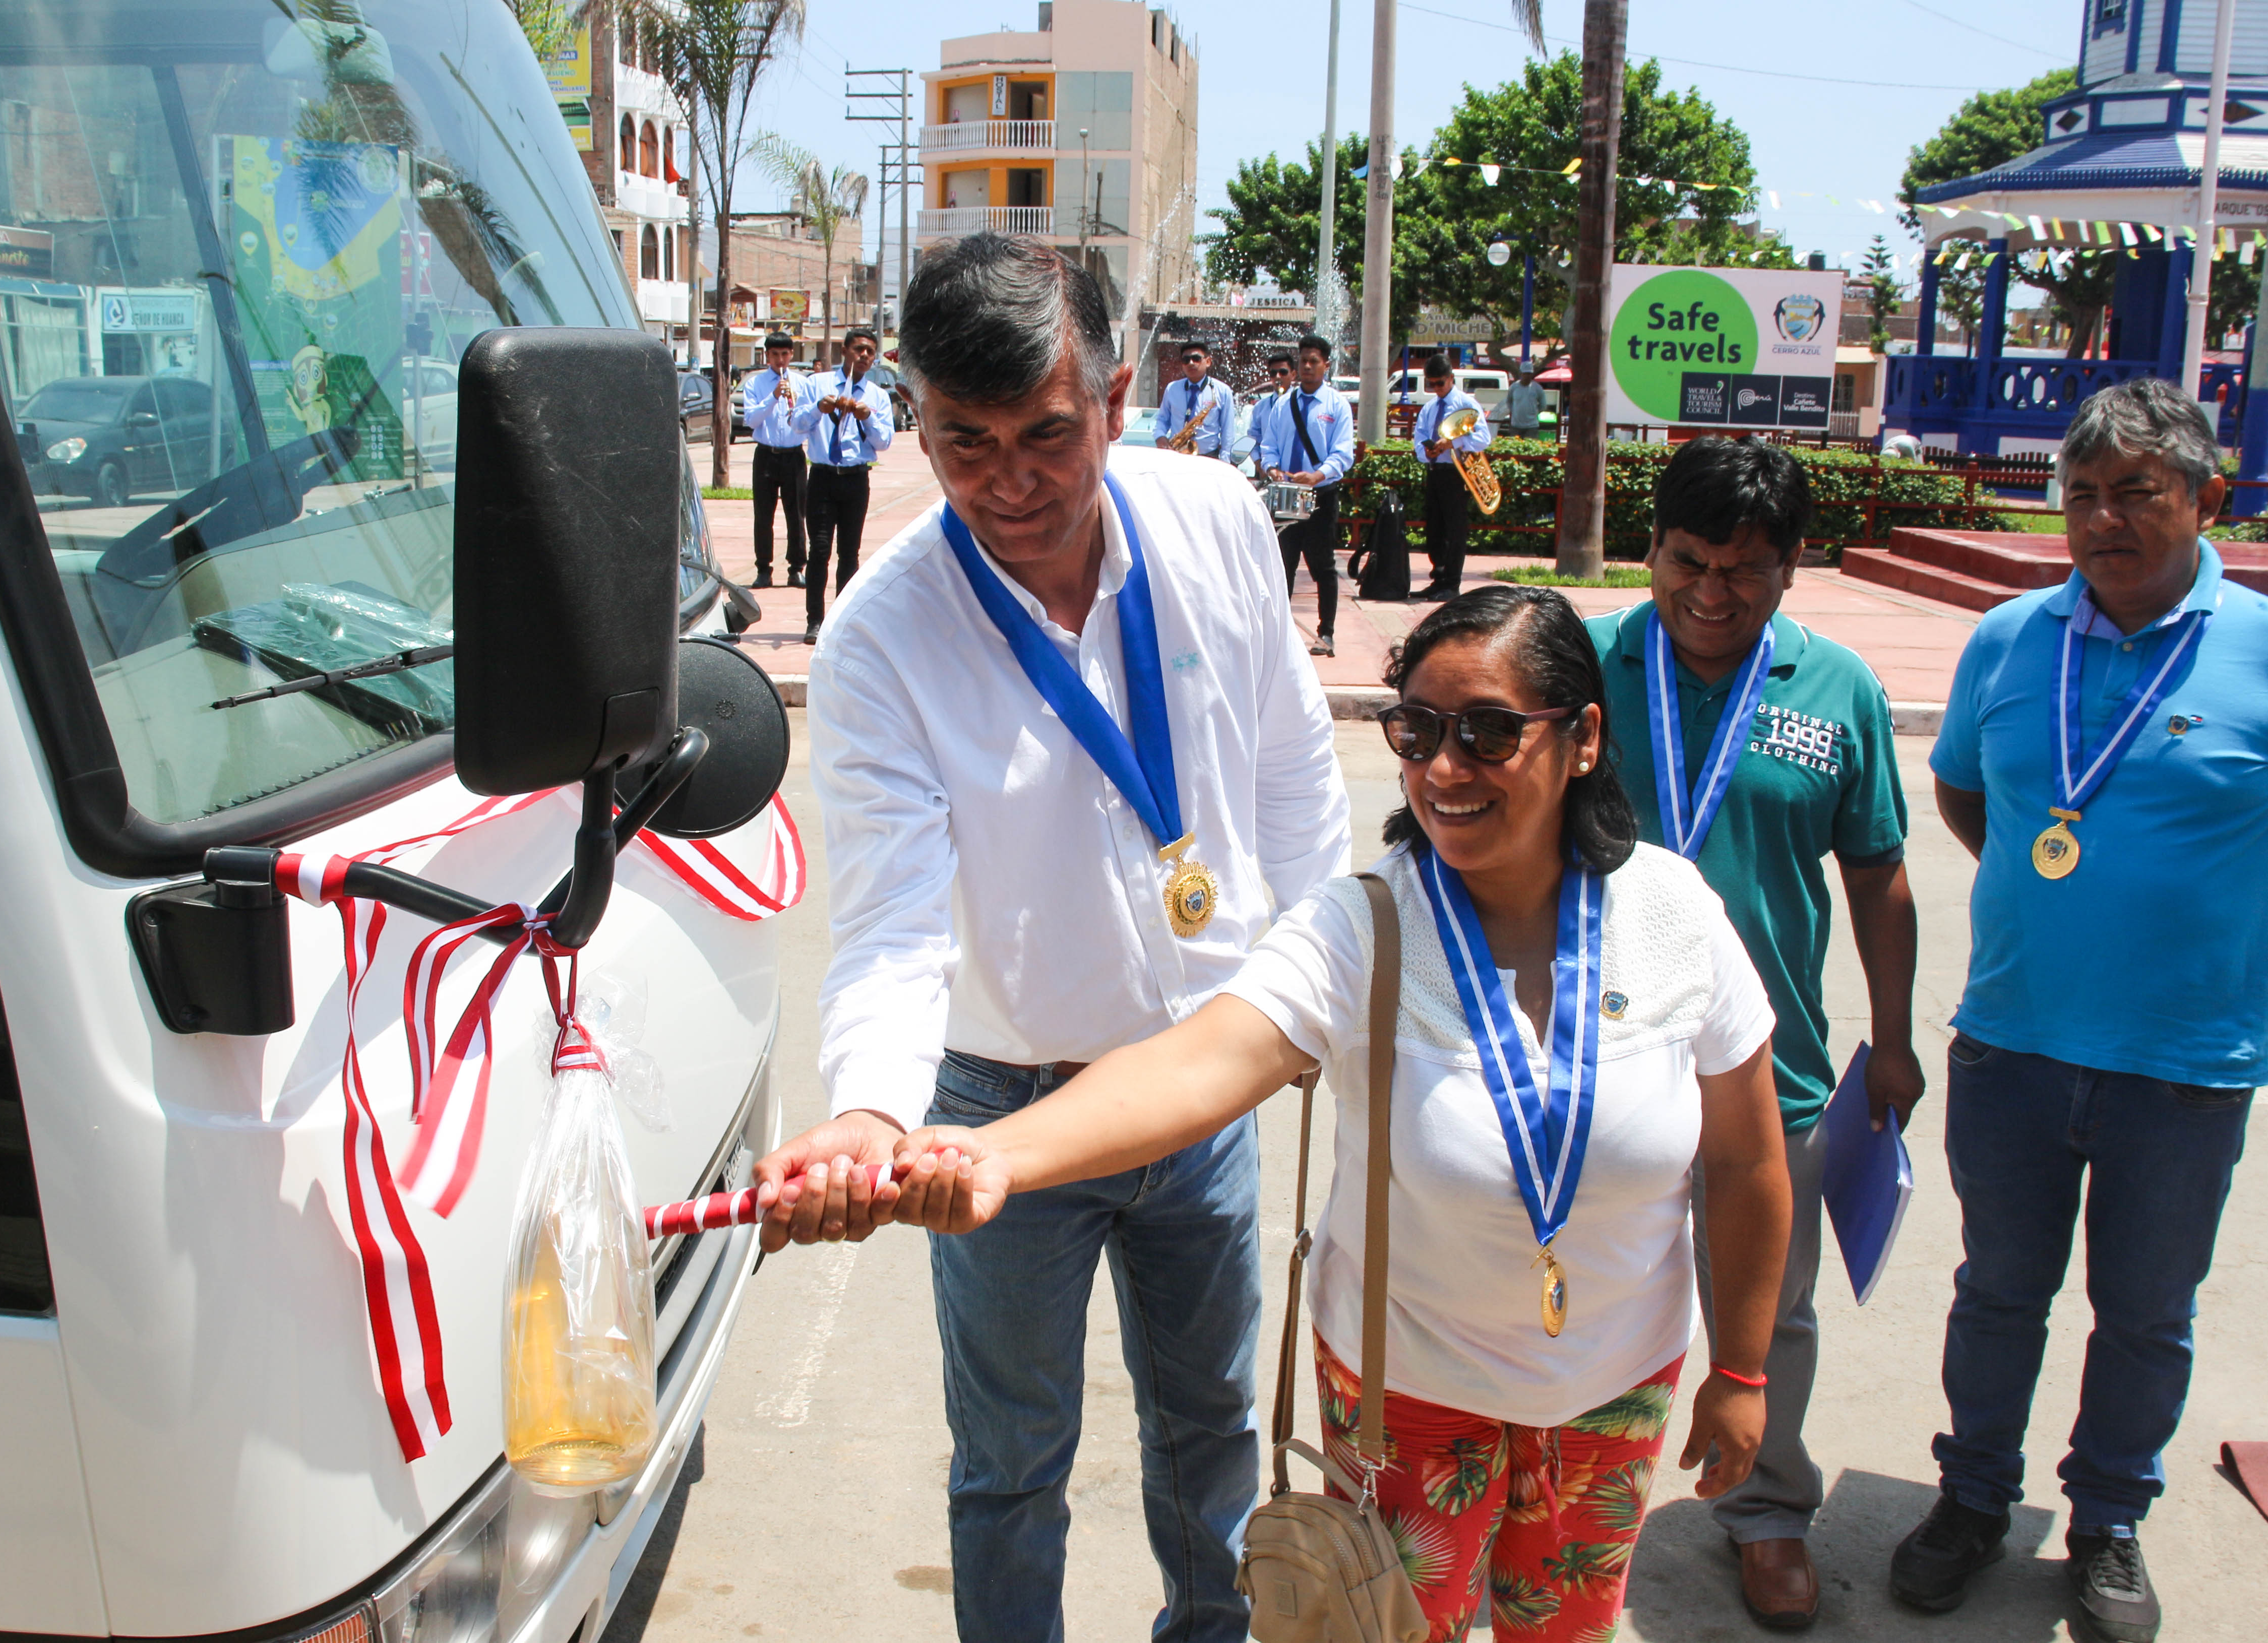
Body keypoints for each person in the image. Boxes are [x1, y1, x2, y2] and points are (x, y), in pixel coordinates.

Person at [889, 586, 1796, 1643]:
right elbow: (1199, 1063)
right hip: (1410, 1397)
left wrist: (1740, 1371)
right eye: (1416, 730)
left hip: (1614, 1390)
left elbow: (1745, 1164)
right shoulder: (1366, 926)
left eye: (1490, 733)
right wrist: (993, 1151)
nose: (1444, 769)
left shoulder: (1673, 912)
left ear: (1584, 737)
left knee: (1566, 1632)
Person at [752, 233, 1353, 1643]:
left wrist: (1313, 989)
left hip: (1204, 1086)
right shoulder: (880, 641)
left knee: (1209, 1427)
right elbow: (893, 927)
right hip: (995, 1113)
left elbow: (1292, 773)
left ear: (1120, 394)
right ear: (917, 417)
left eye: (1047, 436)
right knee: (1010, 1458)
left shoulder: (1216, 522)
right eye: (965, 444)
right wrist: (866, 1113)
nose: (1010, 484)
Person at [1902, 377, 2262, 1642]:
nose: (2102, 519)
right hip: (2010, 1043)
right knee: (1996, 1288)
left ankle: (2107, 1519)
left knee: (2144, 1311)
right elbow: (1963, 798)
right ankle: (1970, 1496)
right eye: (2081, 495)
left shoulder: (2259, 648)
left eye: (2135, 494)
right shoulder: (2007, 638)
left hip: (2184, 1062)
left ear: (2205, 498)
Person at [1585, 435, 1920, 1630]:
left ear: (1791, 568)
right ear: (1652, 550)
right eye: (1687, 561)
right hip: (1599, 1058)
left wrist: (1889, 1035)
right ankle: (1551, 1500)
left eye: (1744, 568)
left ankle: (1766, 1507)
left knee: (1765, 1309)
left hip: (1764, 1072)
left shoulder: (1838, 690)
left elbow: (1877, 868)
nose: (1710, 594)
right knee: (1565, 1288)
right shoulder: (1588, 663)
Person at [792, 328, 896, 644]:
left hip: (855, 478)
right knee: (819, 550)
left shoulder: (876, 396)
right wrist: (817, 410)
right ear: (844, 351)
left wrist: (867, 418)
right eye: (859, 350)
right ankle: (815, 621)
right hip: (823, 477)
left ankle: (843, 620)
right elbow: (797, 425)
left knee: (850, 554)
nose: (864, 356)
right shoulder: (817, 385)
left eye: (870, 352)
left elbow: (885, 441)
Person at [1255, 333, 1356, 657]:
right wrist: (1271, 468)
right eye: (1303, 362)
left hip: (1321, 495)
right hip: (1287, 494)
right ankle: (1280, 636)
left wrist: (1317, 475)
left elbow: (1343, 453)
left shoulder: (1337, 405)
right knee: (1282, 563)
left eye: (1315, 361)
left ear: (1326, 365)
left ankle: (1326, 633)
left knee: (1323, 566)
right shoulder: (1284, 404)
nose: (1308, 367)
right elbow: (1269, 446)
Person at [1409, 356, 1494, 601]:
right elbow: (1419, 438)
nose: (1437, 388)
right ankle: (1439, 578)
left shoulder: (1466, 404)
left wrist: (1453, 443)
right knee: (1434, 528)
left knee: (1455, 529)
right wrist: (1427, 451)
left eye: (1440, 383)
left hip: (1458, 474)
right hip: (1436, 471)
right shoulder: (1429, 408)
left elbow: (1483, 438)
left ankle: (1452, 583)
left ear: (1451, 379)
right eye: (1432, 384)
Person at [742, 331, 809, 589]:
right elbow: (751, 420)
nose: (780, 360)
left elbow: (807, 419)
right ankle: (764, 569)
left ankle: (796, 568)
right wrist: (773, 397)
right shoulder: (756, 384)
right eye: (775, 355)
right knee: (763, 515)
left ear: (791, 355)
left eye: (784, 354)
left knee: (797, 514)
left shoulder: (802, 383)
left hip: (793, 456)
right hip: (767, 456)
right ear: (767, 356)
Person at [1157, 342, 1235, 457]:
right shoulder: (1172, 389)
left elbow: (1228, 432)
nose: (1191, 363)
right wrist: (1160, 436)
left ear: (1208, 362)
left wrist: (1225, 460)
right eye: (1186, 360)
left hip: (1209, 457)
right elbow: (1162, 420)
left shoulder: (1223, 391)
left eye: (1196, 359)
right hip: (1177, 455)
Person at [1241, 351, 1296, 472]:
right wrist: (1259, 464)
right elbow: (1253, 439)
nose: (1278, 377)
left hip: (1294, 471)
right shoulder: (1261, 407)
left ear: (1293, 375)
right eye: (1273, 373)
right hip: (1267, 470)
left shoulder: (1300, 404)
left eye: (1283, 372)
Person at [1508, 367, 1547, 438]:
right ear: (1521, 374)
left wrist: (1534, 412)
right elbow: (1509, 402)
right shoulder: (1514, 387)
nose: (1527, 376)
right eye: (1525, 374)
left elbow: (1543, 405)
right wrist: (1514, 412)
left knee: (1531, 448)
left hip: (1532, 427)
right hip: (1516, 426)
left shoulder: (1538, 388)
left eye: (1529, 374)